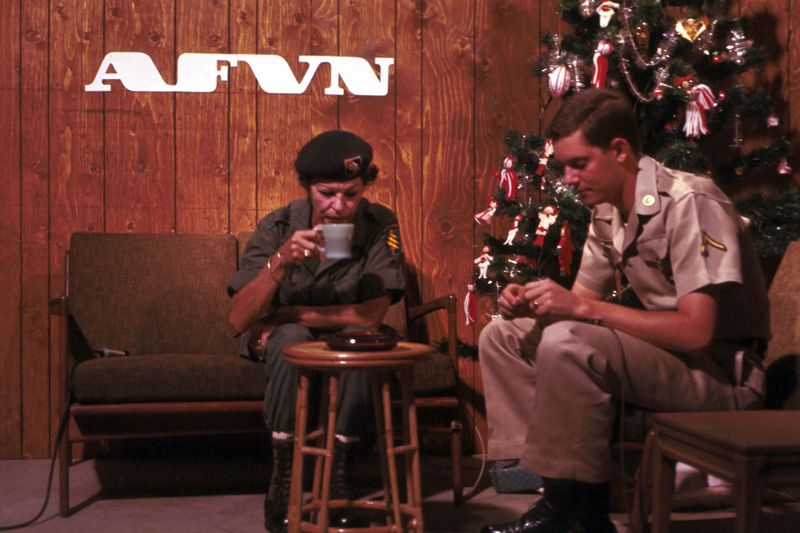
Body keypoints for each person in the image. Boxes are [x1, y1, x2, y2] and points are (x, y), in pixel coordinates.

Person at [479, 88, 769, 533]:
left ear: (619, 151)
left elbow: (696, 333)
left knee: (568, 342)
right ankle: (559, 493)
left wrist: (578, 308)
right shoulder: (608, 212)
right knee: (503, 335)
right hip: (670, 361)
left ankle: (572, 511)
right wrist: (532, 303)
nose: (569, 178)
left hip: (722, 372)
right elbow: (578, 309)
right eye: (564, 167)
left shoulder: (690, 202)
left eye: (579, 163)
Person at [227, 130, 405, 532]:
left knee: (358, 345)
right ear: (307, 187)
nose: (339, 206)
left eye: (351, 194)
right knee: (291, 343)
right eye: (327, 193)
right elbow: (239, 318)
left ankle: (340, 479)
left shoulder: (378, 224)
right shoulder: (277, 227)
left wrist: (289, 315)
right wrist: (281, 262)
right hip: (289, 344)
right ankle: (284, 482)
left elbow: (370, 316)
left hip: (339, 339)